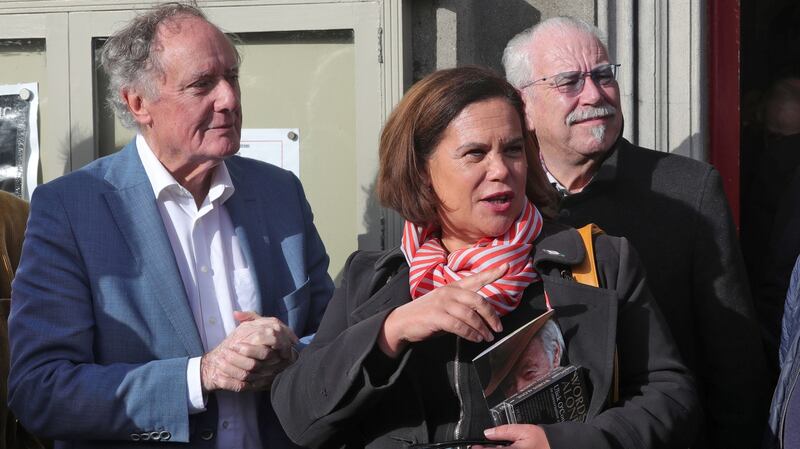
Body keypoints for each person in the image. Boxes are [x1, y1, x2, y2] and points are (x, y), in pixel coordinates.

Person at [271, 66, 698, 449]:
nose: (500, 170)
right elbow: (299, 417)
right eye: (475, 153)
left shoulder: (596, 260)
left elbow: (670, 395)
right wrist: (392, 329)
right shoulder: (374, 278)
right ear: (422, 170)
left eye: (512, 150)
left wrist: (566, 442)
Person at [7, 3, 333, 448]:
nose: (230, 99)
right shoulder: (71, 210)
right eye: (202, 84)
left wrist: (291, 352)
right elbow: (40, 391)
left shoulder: (279, 194)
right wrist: (199, 376)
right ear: (138, 103)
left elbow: (335, 340)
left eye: (232, 77)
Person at [503, 16, 770, 449]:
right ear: (525, 106)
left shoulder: (688, 191)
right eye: (569, 81)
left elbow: (735, 361)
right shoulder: (502, 200)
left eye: (603, 75)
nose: (595, 94)